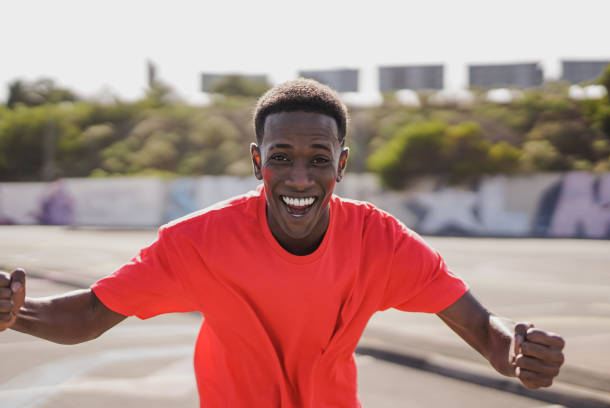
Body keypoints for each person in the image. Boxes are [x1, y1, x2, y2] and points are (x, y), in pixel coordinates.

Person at [0, 78, 564, 407]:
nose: (300, 178)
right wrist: (15, 310)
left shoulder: (381, 241)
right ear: (256, 161)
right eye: (281, 159)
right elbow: (89, 316)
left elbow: (482, 332)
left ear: (341, 164)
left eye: (319, 160)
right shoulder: (198, 241)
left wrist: (519, 355)